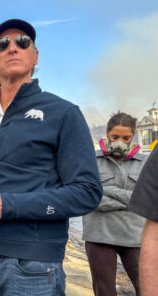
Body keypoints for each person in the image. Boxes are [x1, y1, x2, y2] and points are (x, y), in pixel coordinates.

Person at [0, 19, 103, 296]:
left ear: (35, 56)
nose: (12, 48)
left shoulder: (63, 113)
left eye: (22, 42)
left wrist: (7, 205)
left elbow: (87, 192)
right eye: (2, 44)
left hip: (34, 265)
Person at [82, 112, 146, 296]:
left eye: (126, 138)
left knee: (147, 288)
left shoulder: (146, 163)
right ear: (107, 134)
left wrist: (104, 190)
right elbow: (89, 198)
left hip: (135, 237)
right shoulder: (90, 161)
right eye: (115, 136)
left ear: (133, 136)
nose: (120, 141)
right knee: (105, 292)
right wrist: (130, 199)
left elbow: (147, 200)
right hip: (99, 236)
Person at [128, 145, 158, 296]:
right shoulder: (97, 161)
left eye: (126, 138)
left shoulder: (141, 162)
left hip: (131, 241)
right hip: (101, 237)